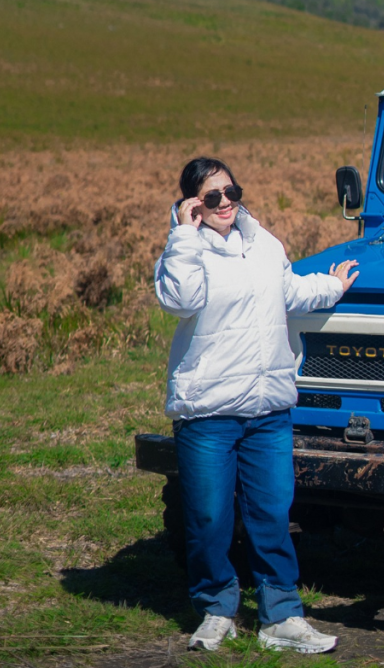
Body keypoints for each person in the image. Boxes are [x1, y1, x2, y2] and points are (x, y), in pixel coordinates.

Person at [154, 157, 359, 654]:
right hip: (209, 412)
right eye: (211, 197)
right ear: (192, 206)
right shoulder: (185, 251)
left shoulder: (265, 244)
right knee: (207, 518)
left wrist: (332, 286)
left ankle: (281, 617)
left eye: (231, 191)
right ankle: (216, 609)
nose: (225, 203)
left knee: (271, 514)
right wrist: (182, 235)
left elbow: (287, 292)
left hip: (268, 410)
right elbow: (179, 300)